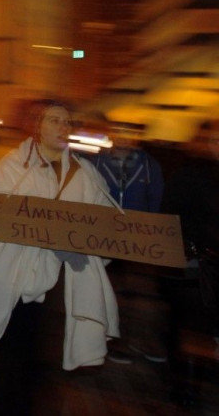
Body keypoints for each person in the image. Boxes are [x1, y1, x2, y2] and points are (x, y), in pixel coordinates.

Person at [0, 99, 119, 416]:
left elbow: (106, 226)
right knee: (14, 359)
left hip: (64, 287)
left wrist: (80, 247)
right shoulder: (12, 168)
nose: (64, 127)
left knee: (45, 365)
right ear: (37, 127)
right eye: (55, 120)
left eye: (68, 122)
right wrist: (44, 238)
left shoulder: (83, 174)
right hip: (20, 282)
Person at [90, 123, 166, 364]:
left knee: (142, 292)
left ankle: (142, 340)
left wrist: (152, 230)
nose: (125, 138)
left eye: (130, 133)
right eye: (120, 132)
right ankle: (114, 341)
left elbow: (157, 198)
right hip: (107, 234)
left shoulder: (149, 165)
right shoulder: (98, 162)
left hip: (138, 238)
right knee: (111, 291)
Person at [161, 120, 219, 407]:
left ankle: (191, 378)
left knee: (196, 325)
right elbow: (172, 217)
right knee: (192, 323)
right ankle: (187, 384)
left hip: (204, 266)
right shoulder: (188, 175)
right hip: (193, 265)